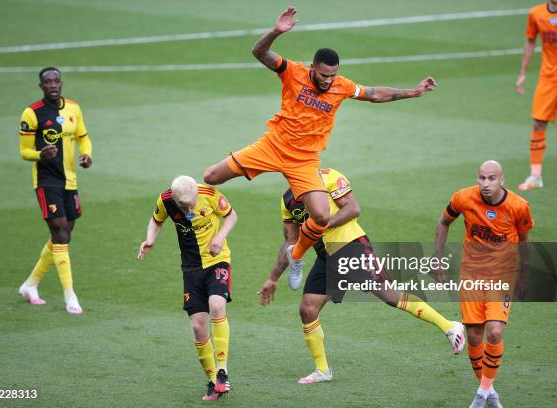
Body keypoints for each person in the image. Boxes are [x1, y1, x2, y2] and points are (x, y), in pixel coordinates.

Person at [204, 6, 437, 287]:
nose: (328, 81)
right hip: (271, 146)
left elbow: (374, 93)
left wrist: (413, 92)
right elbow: (259, 53)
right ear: (313, 68)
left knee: (322, 215)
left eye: (332, 75)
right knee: (210, 178)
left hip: (304, 161)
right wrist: (276, 32)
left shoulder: (342, 86)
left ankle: (297, 256)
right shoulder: (293, 72)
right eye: (324, 75)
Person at [257, 168, 465, 384]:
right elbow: (291, 240)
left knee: (390, 296)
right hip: (326, 257)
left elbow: (353, 209)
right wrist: (273, 278)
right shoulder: (287, 199)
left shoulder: (327, 177)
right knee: (308, 309)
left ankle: (449, 327)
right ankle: (322, 370)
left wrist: (322, 225)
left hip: (351, 246)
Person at [433, 161, 534, 408]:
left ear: (502, 180)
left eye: (491, 178)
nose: (486, 184)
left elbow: (524, 240)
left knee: (495, 331)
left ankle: (481, 395)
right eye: (482, 178)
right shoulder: (463, 198)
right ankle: (489, 393)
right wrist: (437, 258)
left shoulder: (519, 207)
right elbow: (444, 222)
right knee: (475, 337)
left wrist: (524, 275)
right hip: (471, 276)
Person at [137, 176, 237, 401]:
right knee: (198, 325)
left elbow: (231, 216)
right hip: (191, 268)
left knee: (217, 305)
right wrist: (150, 239)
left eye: (193, 203)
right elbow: (156, 220)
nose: (190, 209)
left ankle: (222, 371)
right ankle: (213, 382)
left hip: (217, 260)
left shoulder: (210, 194)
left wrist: (220, 236)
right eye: (185, 206)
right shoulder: (165, 200)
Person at [18, 67, 92, 314]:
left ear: (61, 83)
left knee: (65, 233)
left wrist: (87, 154)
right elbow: (24, 151)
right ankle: (70, 296)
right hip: (46, 181)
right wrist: (40, 154)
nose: (52, 85)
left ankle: (30, 284)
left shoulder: (73, 108)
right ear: (41, 86)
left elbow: (83, 137)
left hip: (70, 180)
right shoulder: (32, 113)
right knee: (60, 233)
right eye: (47, 82)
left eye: (56, 81)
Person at [515, 0, 557, 190]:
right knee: (538, 123)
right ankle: (535, 176)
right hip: (547, 79)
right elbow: (530, 41)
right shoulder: (536, 14)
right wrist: (523, 72)